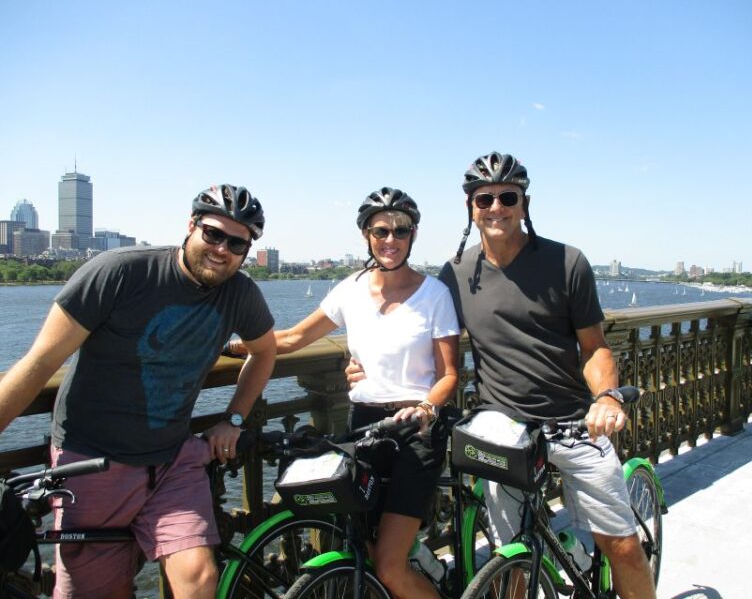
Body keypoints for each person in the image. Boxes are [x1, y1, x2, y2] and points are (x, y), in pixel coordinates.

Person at [350, 153, 657, 599]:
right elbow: (417, 333)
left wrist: (607, 397)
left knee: (624, 547)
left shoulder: (567, 262)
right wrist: (360, 361)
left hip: (574, 423)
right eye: (484, 198)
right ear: (470, 209)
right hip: (502, 430)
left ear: (524, 203)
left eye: (507, 196)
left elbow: (595, 348)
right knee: (508, 556)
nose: (496, 207)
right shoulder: (455, 275)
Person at [0, 184, 277, 599]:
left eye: (237, 243)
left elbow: (265, 351)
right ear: (191, 226)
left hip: (172, 460)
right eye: (213, 234)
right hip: (90, 464)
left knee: (199, 578)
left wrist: (233, 418)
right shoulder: (119, 272)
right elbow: (40, 363)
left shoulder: (240, 293)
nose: (222, 249)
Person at [228, 187, 459, 599]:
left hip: (415, 431)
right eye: (380, 230)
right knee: (364, 546)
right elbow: (295, 337)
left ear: (414, 235)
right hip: (364, 428)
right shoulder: (351, 289)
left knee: (388, 565)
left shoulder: (434, 295)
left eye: (400, 230)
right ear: (366, 235)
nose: (391, 240)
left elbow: (449, 374)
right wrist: (232, 346)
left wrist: (426, 406)